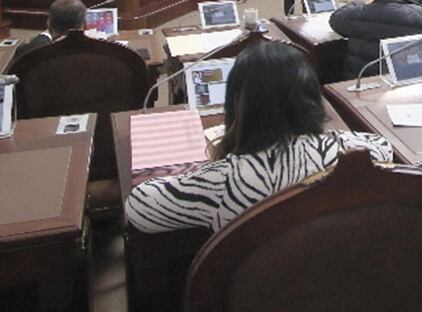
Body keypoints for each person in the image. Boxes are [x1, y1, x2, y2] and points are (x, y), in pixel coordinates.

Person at [125, 40, 393, 233]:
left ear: (237, 104)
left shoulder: (223, 180)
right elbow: (382, 146)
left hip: (259, 303)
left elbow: (138, 207)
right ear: (312, 97)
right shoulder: (352, 155)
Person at [13, 0, 87, 60]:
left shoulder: (28, 51)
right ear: (84, 24)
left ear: (49, 23)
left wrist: (42, 37)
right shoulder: (92, 52)